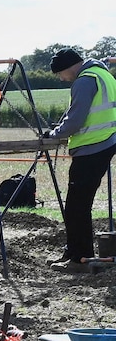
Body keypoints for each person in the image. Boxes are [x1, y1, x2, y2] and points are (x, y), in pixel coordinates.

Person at [40, 47, 116, 268]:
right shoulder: (103, 75)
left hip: (91, 146)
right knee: (79, 204)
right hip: (106, 141)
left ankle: (79, 258)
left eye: (60, 74)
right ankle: (74, 252)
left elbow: (75, 119)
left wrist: (54, 133)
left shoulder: (84, 80)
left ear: (67, 67)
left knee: (76, 207)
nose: (62, 79)